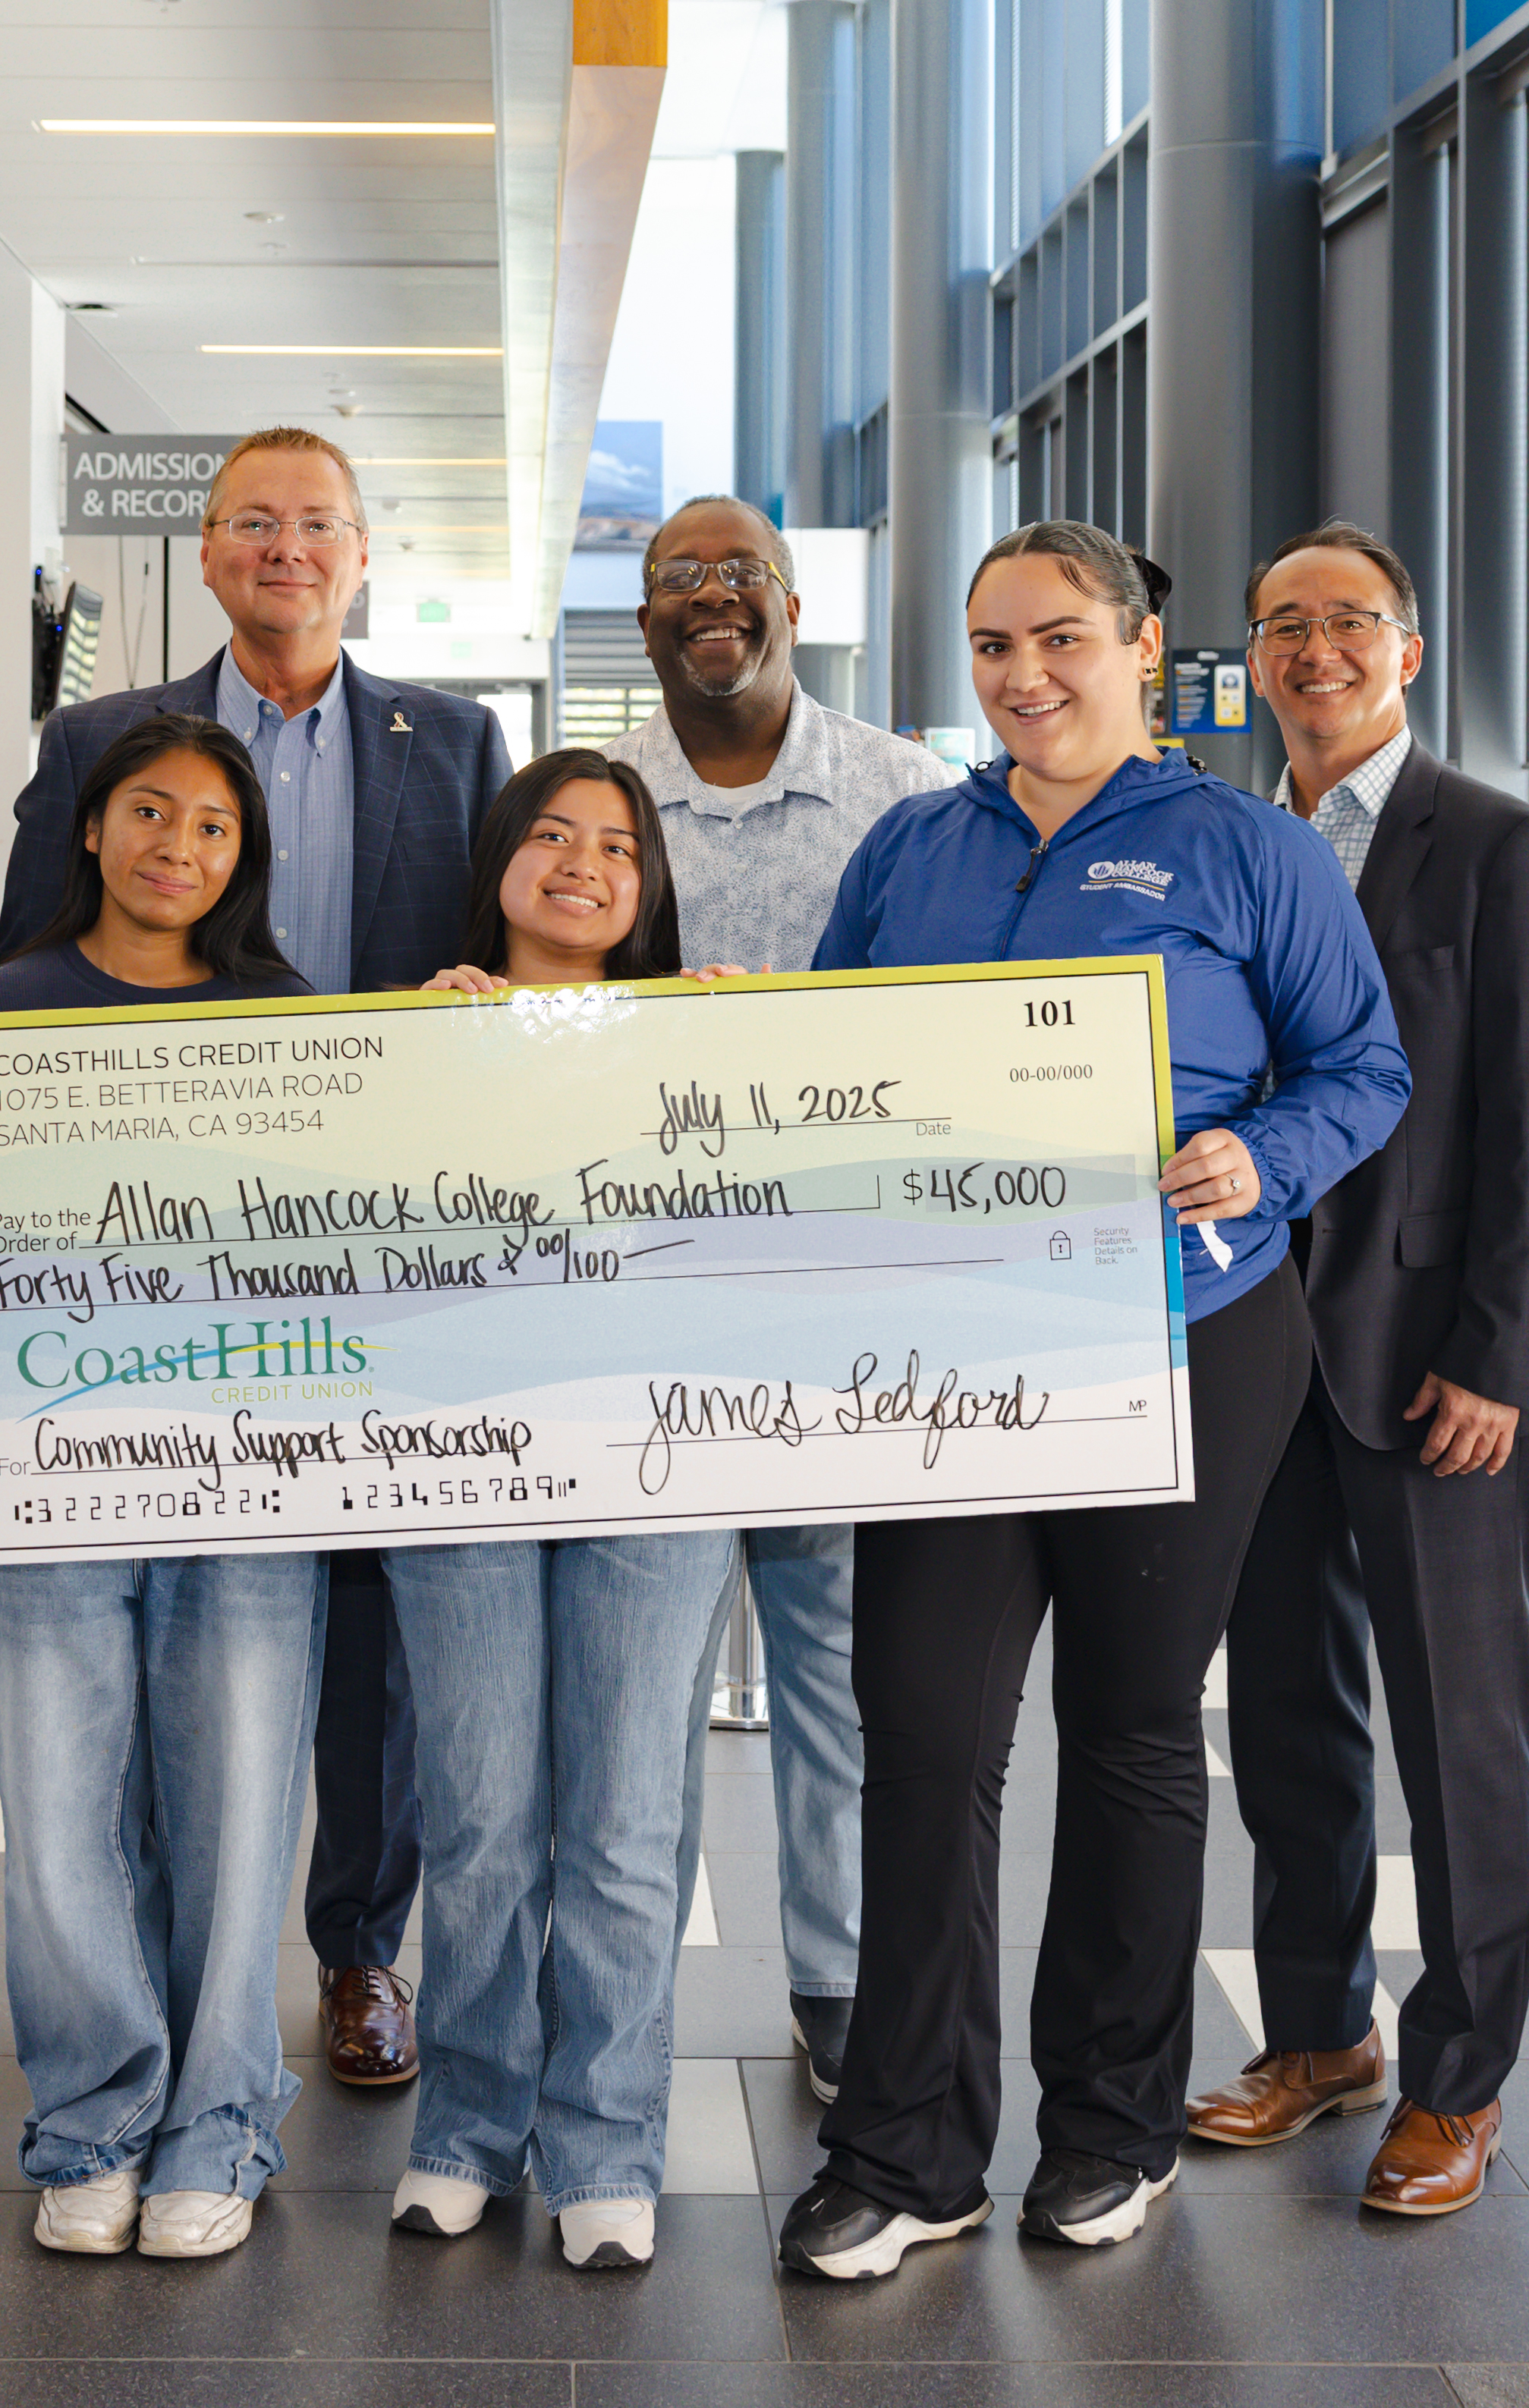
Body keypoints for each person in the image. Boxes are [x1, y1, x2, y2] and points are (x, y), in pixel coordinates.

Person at [776, 522, 1409, 2281]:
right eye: (990, 647)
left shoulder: (1240, 845)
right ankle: (903, 2150)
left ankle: (1110, 2130)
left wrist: (1253, 1155)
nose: (1021, 676)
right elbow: (825, 1068)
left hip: (1184, 1333)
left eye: (1057, 639)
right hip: (952, 1357)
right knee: (922, 1731)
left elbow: (1362, 1064)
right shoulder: (914, 845)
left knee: (1132, 1733)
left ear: (1140, 646)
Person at [0, 427, 515, 2090]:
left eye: (318, 525)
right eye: (253, 525)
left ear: (363, 556)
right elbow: (30, 981)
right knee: (171, 1617)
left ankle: (358, 1948)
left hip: (382, 1246)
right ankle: (158, 1938)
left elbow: (490, 966)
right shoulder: (99, 740)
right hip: (166, 1254)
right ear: (206, 554)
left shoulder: (453, 736)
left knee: (371, 1623)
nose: (286, 550)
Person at [1185, 520, 1529, 2216]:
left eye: (1347, 621)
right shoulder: (1215, 843)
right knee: (1283, 1722)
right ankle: (1316, 2034)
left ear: (1404, 651)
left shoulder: (1500, 848)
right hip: (1248, 1350)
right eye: (1282, 625)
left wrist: (1503, 1353)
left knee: (1457, 1731)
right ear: (1249, 657)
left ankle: (1460, 2076)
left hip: (1433, 1364)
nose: (1313, 651)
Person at [0, 713, 326, 2260]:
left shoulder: (292, 1020)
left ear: (241, 861)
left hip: (247, 1473)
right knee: (63, 1806)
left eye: (214, 828)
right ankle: (90, 2122)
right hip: (50, 1467)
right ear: (88, 829)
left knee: (234, 1799)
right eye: (151, 813)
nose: (178, 848)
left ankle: (217, 2122)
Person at [603, 495, 952, 2103]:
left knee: (840, 1674)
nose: (711, 600)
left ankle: (845, 1985)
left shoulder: (905, 794)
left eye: (739, 576)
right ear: (644, 619)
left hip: (837, 1321)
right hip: (632, 1317)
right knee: (639, 1684)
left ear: (793, 602)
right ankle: (616, 2002)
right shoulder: (595, 811)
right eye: (679, 581)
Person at [379, 750, 744, 2271]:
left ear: (649, 884)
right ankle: (464, 2124)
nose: (585, 864)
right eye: (552, 837)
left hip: (658, 1454)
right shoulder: (407, 1028)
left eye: (618, 844)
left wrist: (754, 1055)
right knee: (473, 1810)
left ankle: (603, 2137)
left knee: (623, 1818)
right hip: (459, 1457)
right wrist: (399, 1061)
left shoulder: (712, 1030)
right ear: (499, 863)